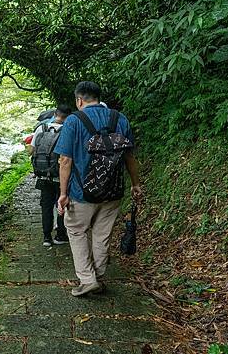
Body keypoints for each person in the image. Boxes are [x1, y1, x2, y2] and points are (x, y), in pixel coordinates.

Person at [54, 81, 141, 296]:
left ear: (79, 100)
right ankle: (98, 277)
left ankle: (87, 279)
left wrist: (63, 194)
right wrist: (136, 184)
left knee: (77, 231)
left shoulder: (74, 121)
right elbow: (129, 156)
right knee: (102, 235)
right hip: (113, 191)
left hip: (81, 192)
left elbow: (65, 160)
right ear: (98, 98)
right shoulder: (119, 118)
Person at [30, 104, 72, 247]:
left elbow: (32, 150)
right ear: (68, 117)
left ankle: (47, 238)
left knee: (46, 206)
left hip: (43, 175)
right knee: (62, 203)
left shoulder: (41, 128)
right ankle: (60, 235)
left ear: (55, 114)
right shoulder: (68, 130)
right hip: (61, 176)